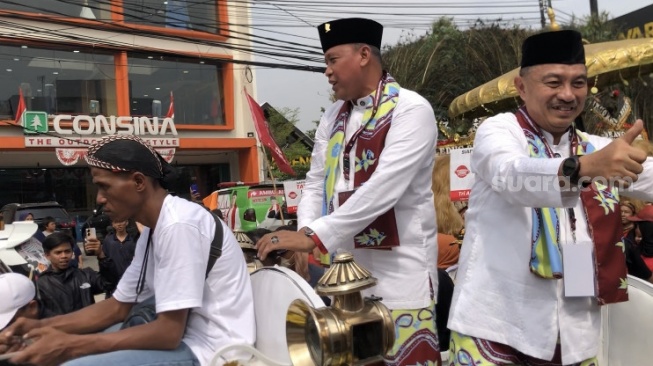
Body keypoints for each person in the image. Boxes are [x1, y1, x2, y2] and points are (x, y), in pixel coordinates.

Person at [447, 30, 653, 365]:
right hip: (496, 324)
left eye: (579, 83)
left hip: (573, 328)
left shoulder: (594, 147)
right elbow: (511, 175)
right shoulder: (498, 132)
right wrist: (584, 168)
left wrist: (592, 162)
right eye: (554, 82)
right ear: (522, 87)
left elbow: (648, 173)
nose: (568, 95)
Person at [256, 17, 440, 365]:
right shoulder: (333, 117)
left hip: (400, 279)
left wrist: (312, 235)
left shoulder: (411, 110)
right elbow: (314, 181)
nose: (327, 71)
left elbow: (384, 188)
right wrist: (304, 236)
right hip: (341, 279)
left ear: (364, 55)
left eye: (332, 60)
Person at [0, 135, 255, 366]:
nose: (99, 198)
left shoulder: (179, 225)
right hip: (187, 339)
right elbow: (117, 307)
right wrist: (38, 328)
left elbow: (168, 333)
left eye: (104, 186)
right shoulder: (154, 230)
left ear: (138, 182)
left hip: (215, 351)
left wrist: (71, 346)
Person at [36, 232, 118, 317]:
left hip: (89, 327)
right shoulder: (41, 284)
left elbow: (109, 284)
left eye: (67, 251)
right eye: (58, 252)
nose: (64, 256)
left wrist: (101, 255)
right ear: (47, 255)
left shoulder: (85, 275)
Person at [101, 219, 137, 297]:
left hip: (130, 280)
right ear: (113, 224)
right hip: (113, 281)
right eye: (116, 222)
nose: (119, 224)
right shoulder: (108, 241)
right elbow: (104, 259)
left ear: (126, 222)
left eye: (121, 221)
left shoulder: (133, 240)